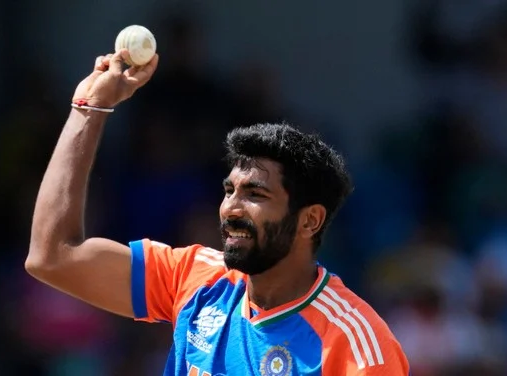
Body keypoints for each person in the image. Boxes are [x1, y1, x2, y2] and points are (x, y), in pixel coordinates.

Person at [25, 49, 410, 376]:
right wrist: (88, 110)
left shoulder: (357, 348)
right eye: (229, 190)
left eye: (255, 193)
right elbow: (53, 256)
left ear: (309, 219)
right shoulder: (195, 277)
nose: (231, 208)